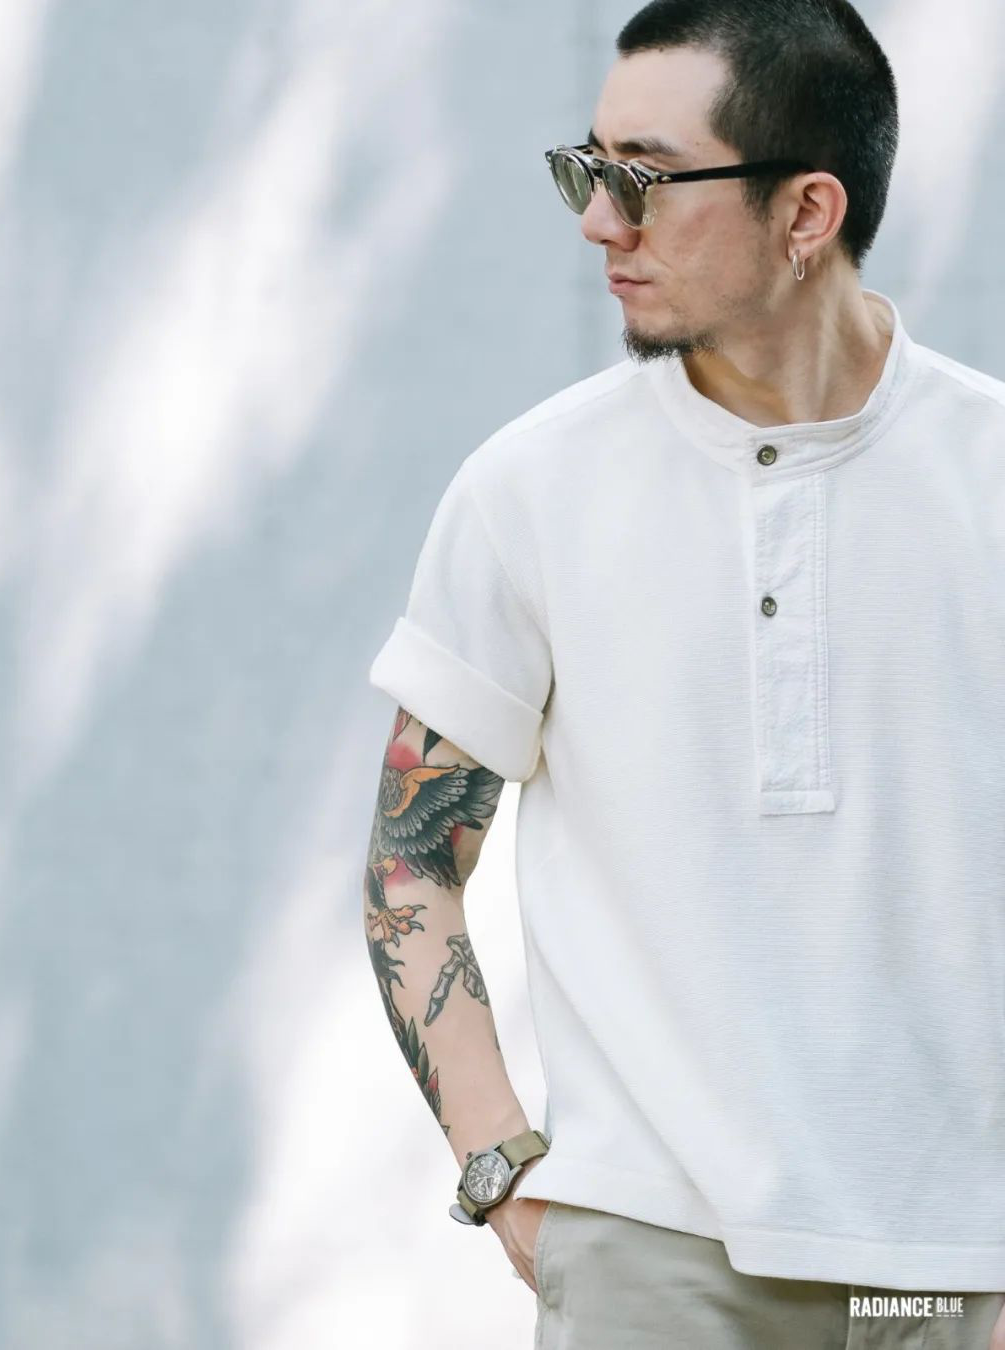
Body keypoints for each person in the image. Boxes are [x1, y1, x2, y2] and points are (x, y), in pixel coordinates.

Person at [364, 1, 1005, 1346]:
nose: (600, 222)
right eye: (587, 169)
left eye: (645, 179)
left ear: (806, 211)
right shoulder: (530, 489)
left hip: (962, 1267)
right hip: (653, 1259)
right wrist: (503, 1173)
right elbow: (411, 867)